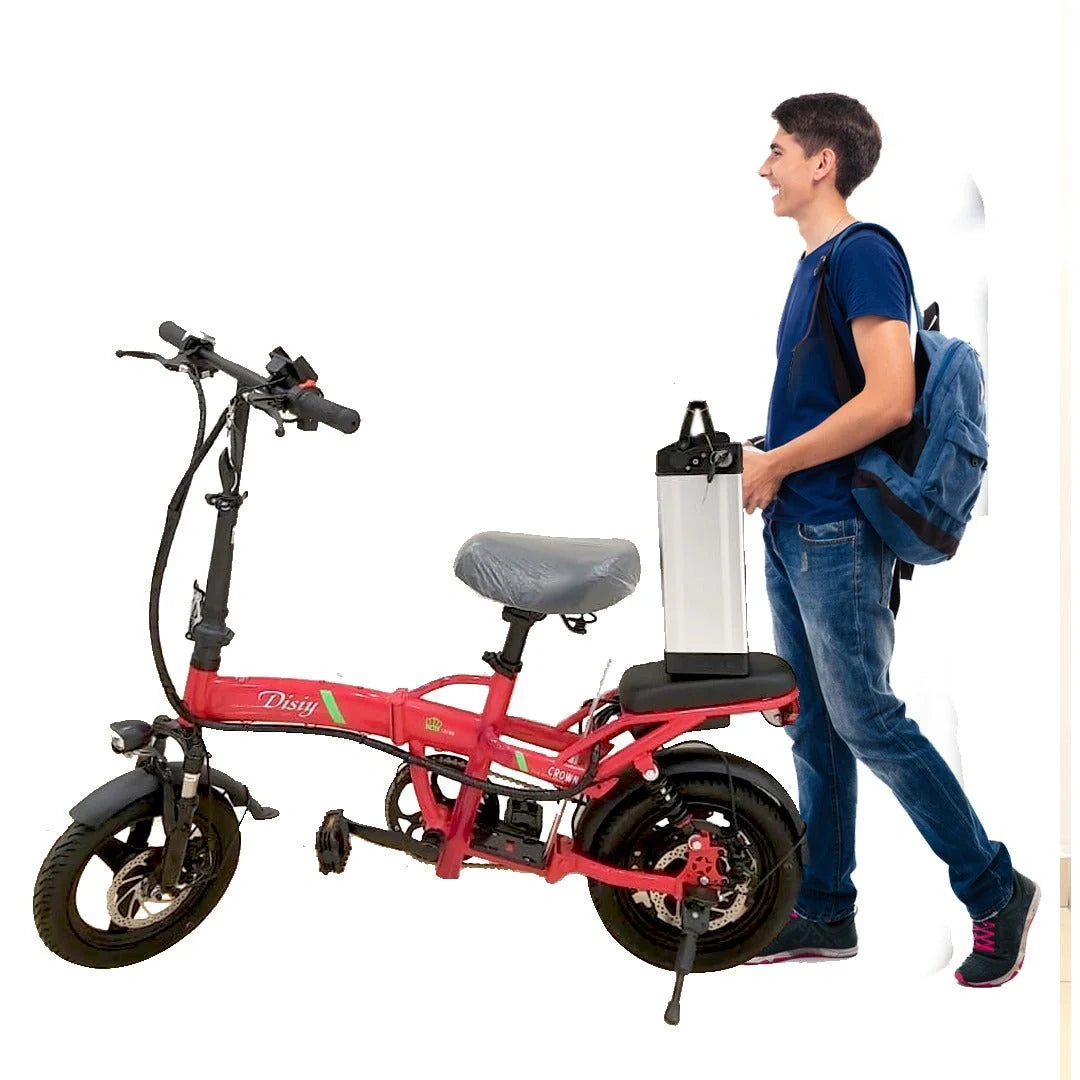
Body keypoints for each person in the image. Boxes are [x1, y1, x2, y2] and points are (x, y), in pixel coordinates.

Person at [740, 92, 1039, 987]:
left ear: (822, 163)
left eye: (779, 149)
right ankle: (826, 910)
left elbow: (889, 401)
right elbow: (838, 400)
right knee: (818, 729)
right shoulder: (817, 264)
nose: (766, 166)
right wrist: (769, 458)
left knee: (867, 718)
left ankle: (994, 888)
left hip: (834, 530)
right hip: (798, 523)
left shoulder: (864, 255)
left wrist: (778, 462)